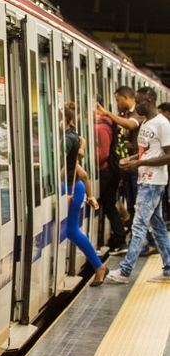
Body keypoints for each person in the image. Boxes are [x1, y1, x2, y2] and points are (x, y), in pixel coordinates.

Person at [107, 87, 170, 284]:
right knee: (158, 228)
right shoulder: (146, 123)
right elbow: (148, 152)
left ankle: (125, 272)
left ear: (149, 101)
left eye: (140, 102)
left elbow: (168, 155)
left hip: (153, 182)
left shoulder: (162, 124)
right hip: (146, 180)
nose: (137, 106)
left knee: (139, 225)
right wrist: (132, 159)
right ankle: (169, 268)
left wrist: (139, 164)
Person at [63, 107, 108, 286]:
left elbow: (75, 171)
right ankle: (98, 266)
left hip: (71, 188)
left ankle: (99, 266)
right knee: (71, 230)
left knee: (71, 231)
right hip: (76, 187)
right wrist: (90, 196)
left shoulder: (67, 139)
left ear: (64, 120)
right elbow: (82, 173)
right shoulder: (74, 136)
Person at [97, 86, 145, 226]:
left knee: (137, 202)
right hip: (127, 166)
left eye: (118, 100)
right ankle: (134, 231)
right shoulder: (123, 113)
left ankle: (144, 238)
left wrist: (107, 113)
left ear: (125, 98)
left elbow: (130, 125)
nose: (117, 103)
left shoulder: (138, 112)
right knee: (130, 201)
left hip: (137, 165)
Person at [96, 96, 127, 253]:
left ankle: (118, 240)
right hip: (112, 171)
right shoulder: (108, 122)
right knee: (109, 205)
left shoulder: (100, 126)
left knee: (105, 205)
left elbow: (102, 154)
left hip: (105, 172)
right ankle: (119, 239)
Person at [65, 102, 99, 211]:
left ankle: (90, 197)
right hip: (73, 170)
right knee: (83, 175)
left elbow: (80, 152)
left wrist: (80, 150)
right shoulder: (73, 133)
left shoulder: (70, 136)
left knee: (83, 174)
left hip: (72, 172)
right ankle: (90, 197)